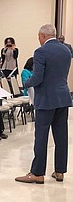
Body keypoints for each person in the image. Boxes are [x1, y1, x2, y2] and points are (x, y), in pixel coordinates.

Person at [15, 24, 72, 184]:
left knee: (41, 136)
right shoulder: (66, 50)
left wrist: (25, 83)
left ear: (42, 35)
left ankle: (37, 173)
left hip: (46, 99)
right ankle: (60, 171)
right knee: (61, 136)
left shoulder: (41, 52)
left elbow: (38, 77)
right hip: (63, 97)